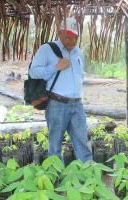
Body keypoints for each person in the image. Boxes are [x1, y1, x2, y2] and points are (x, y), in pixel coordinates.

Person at [29, 17, 93, 162]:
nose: (72, 40)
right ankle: (56, 180)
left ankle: (89, 178)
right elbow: (34, 72)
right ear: (59, 33)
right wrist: (56, 67)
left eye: (75, 37)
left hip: (77, 104)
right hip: (57, 104)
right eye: (68, 36)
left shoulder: (78, 52)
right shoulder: (47, 49)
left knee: (82, 142)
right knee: (55, 145)